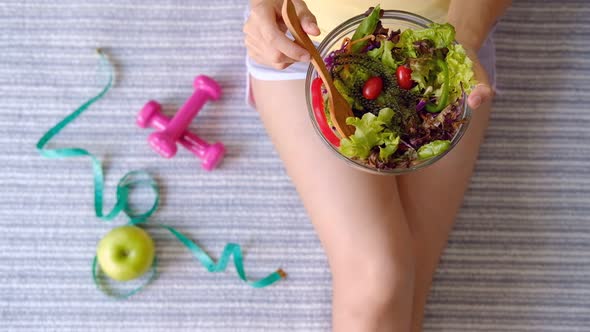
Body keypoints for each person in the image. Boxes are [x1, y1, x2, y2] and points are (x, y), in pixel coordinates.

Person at [243, 1, 511, 331]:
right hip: (306, 52)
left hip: (447, 57)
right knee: (378, 279)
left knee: (399, 289)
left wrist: (462, 40)